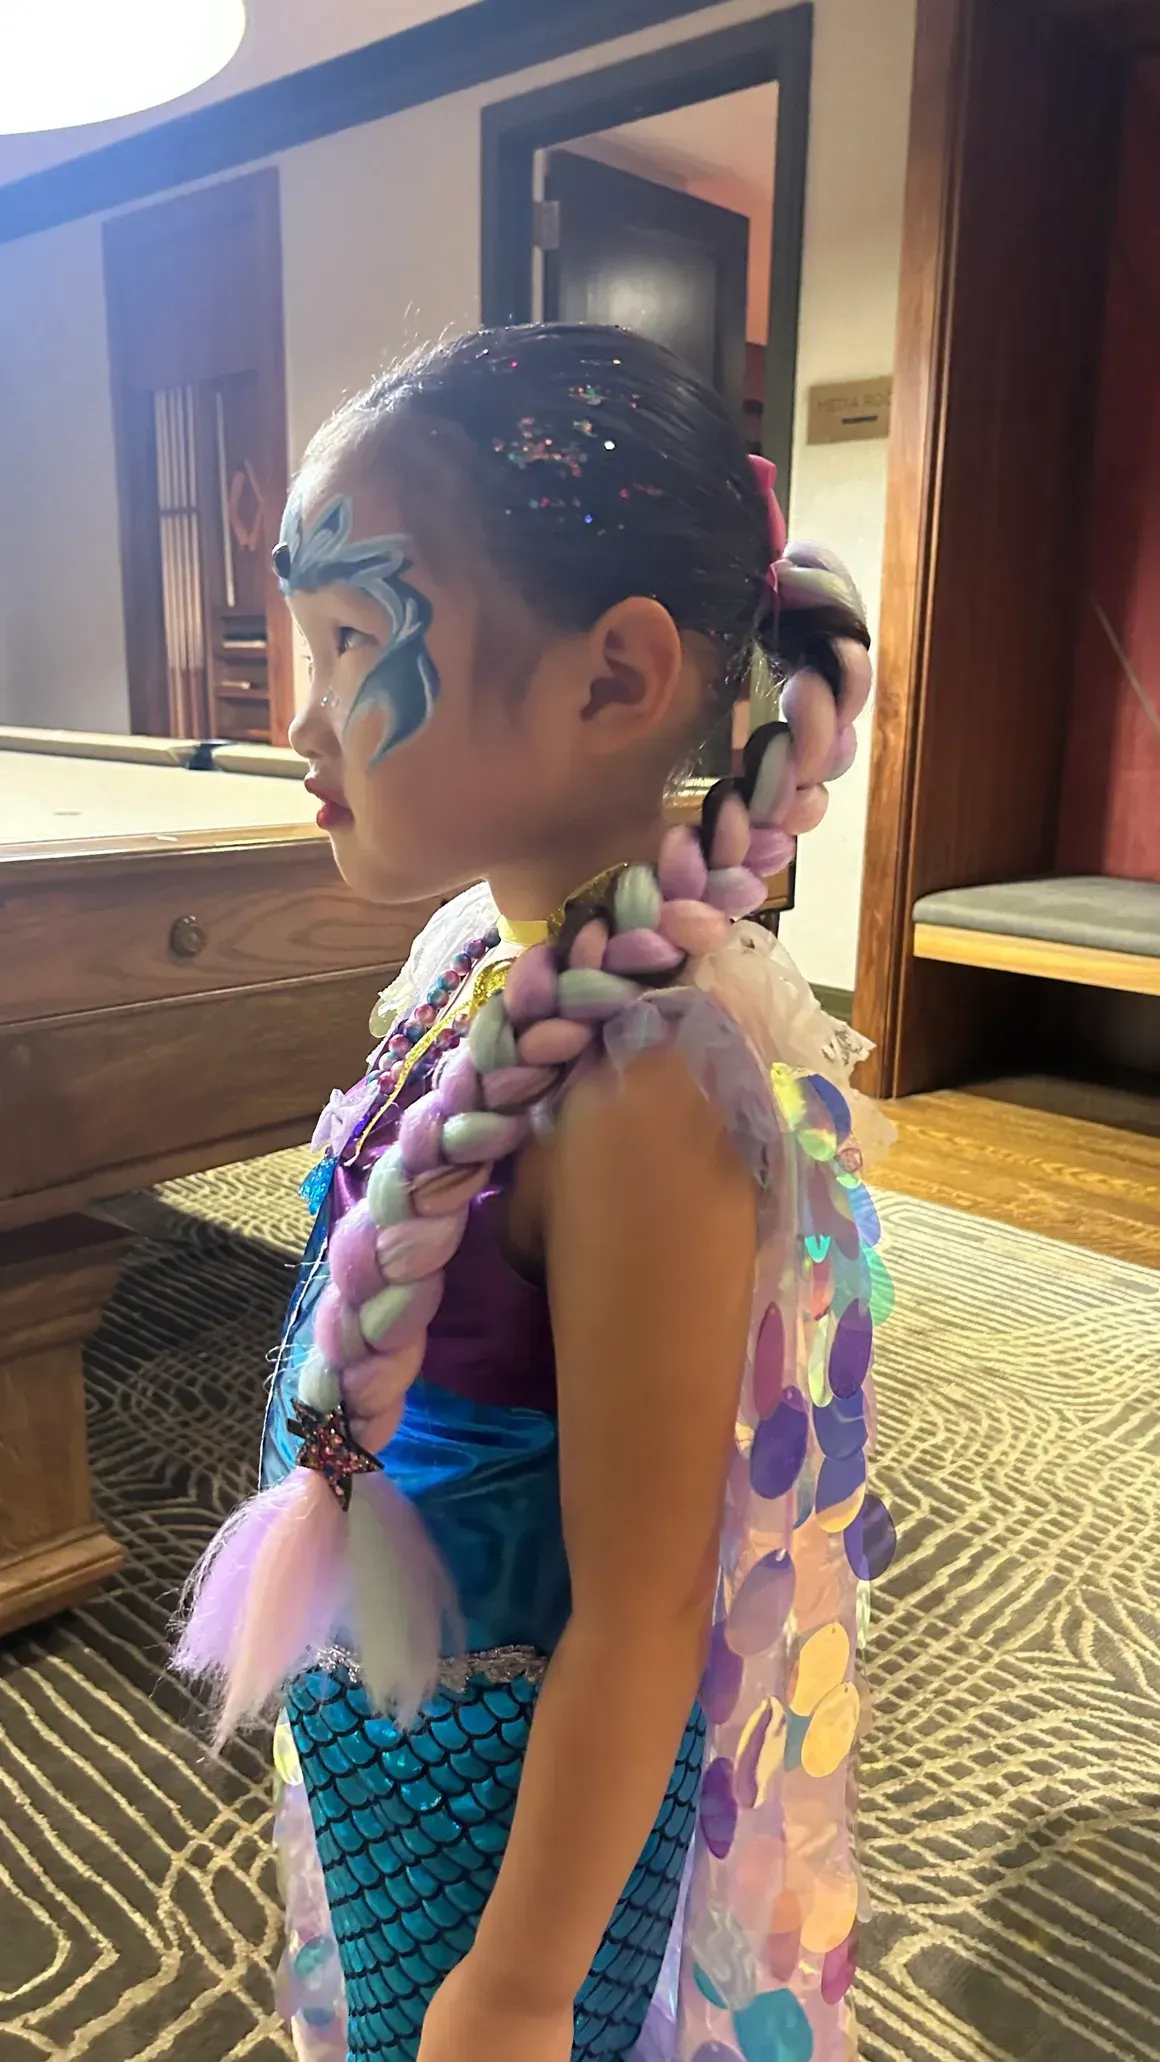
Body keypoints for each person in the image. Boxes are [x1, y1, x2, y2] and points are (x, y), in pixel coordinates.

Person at [175, 324, 895, 2062]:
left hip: (517, 1787)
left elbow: (647, 1609)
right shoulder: (472, 958)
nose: (296, 713)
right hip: (390, 1721)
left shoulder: (647, 1093)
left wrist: (522, 1981)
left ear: (613, 675)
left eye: (353, 638)